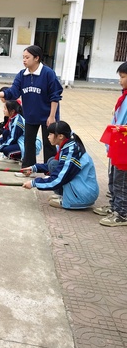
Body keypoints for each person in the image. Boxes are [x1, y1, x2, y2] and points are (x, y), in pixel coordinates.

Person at [0, 45, 63, 177]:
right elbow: (13, 92)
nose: (24, 60)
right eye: (23, 57)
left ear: (36, 58)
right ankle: (27, 170)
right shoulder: (22, 75)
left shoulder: (48, 73)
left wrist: (52, 116)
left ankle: (50, 172)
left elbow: (55, 96)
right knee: (28, 143)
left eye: (27, 57)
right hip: (30, 115)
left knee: (50, 144)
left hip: (48, 115)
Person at [21, 121, 99, 210]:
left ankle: (70, 200)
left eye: (50, 134)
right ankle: (65, 194)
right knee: (52, 162)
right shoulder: (68, 144)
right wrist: (34, 168)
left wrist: (34, 183)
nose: (48, 137)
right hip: (83, 191)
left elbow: (59, 178)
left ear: (60, 136)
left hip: (82, 196)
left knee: (54, 165)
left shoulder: (70, 151)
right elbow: (60, 166)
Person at [96, 62, 127, 226]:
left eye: (122, 77)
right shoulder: (124, 96)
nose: (120, 81)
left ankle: (122, 214)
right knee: (113, 177)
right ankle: (115, 206)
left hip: (125, 147)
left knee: (121, 180)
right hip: (118, 144)